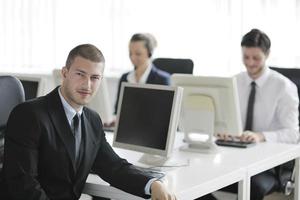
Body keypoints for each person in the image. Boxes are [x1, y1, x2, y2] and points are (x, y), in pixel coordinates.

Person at [2, 44, 176, 200]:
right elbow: (23, 185)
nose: (87, 85)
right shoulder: (29, 115)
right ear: (65, 73)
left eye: (94, 77)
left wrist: (153, 184)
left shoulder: (92, 120)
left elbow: (113, 167)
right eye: (80, 74)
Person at [199, 29, 299, 200]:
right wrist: (222, 129)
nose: (250, 63)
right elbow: (223, 119)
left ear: (267, 55)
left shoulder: (284, 87)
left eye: (256, 58)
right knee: (199, 177)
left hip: (267, 165)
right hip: (233, 157)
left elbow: (293, 134)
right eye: (246, 57)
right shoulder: (234, 82)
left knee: (251, 186)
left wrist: (260, 136)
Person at [114, 33, 170, 114]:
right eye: (130, 53)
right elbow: (117, 111)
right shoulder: (125, 78)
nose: (132, 57)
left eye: (138, 54)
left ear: (149, 53)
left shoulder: (162, 80)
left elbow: (165, 114)